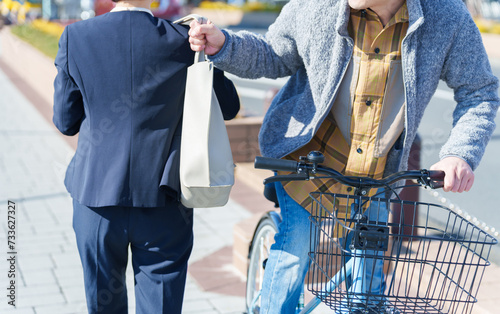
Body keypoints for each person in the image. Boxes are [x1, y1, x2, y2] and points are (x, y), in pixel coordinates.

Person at [188, 0, 499, 312]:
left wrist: (459, 154)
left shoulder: (446, 16)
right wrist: (226, 44)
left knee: (368, 286)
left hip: (378, 173)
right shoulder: (316, 6)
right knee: (295, 251)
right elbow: (273, 53)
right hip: (307, 163)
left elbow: (479, 92)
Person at [52, 0, 240, 312]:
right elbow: (229, 106)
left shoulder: (76, 37)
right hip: (163, 199)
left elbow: (65, 121)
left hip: (96, 196)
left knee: (103, 304)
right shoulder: (186, 41)